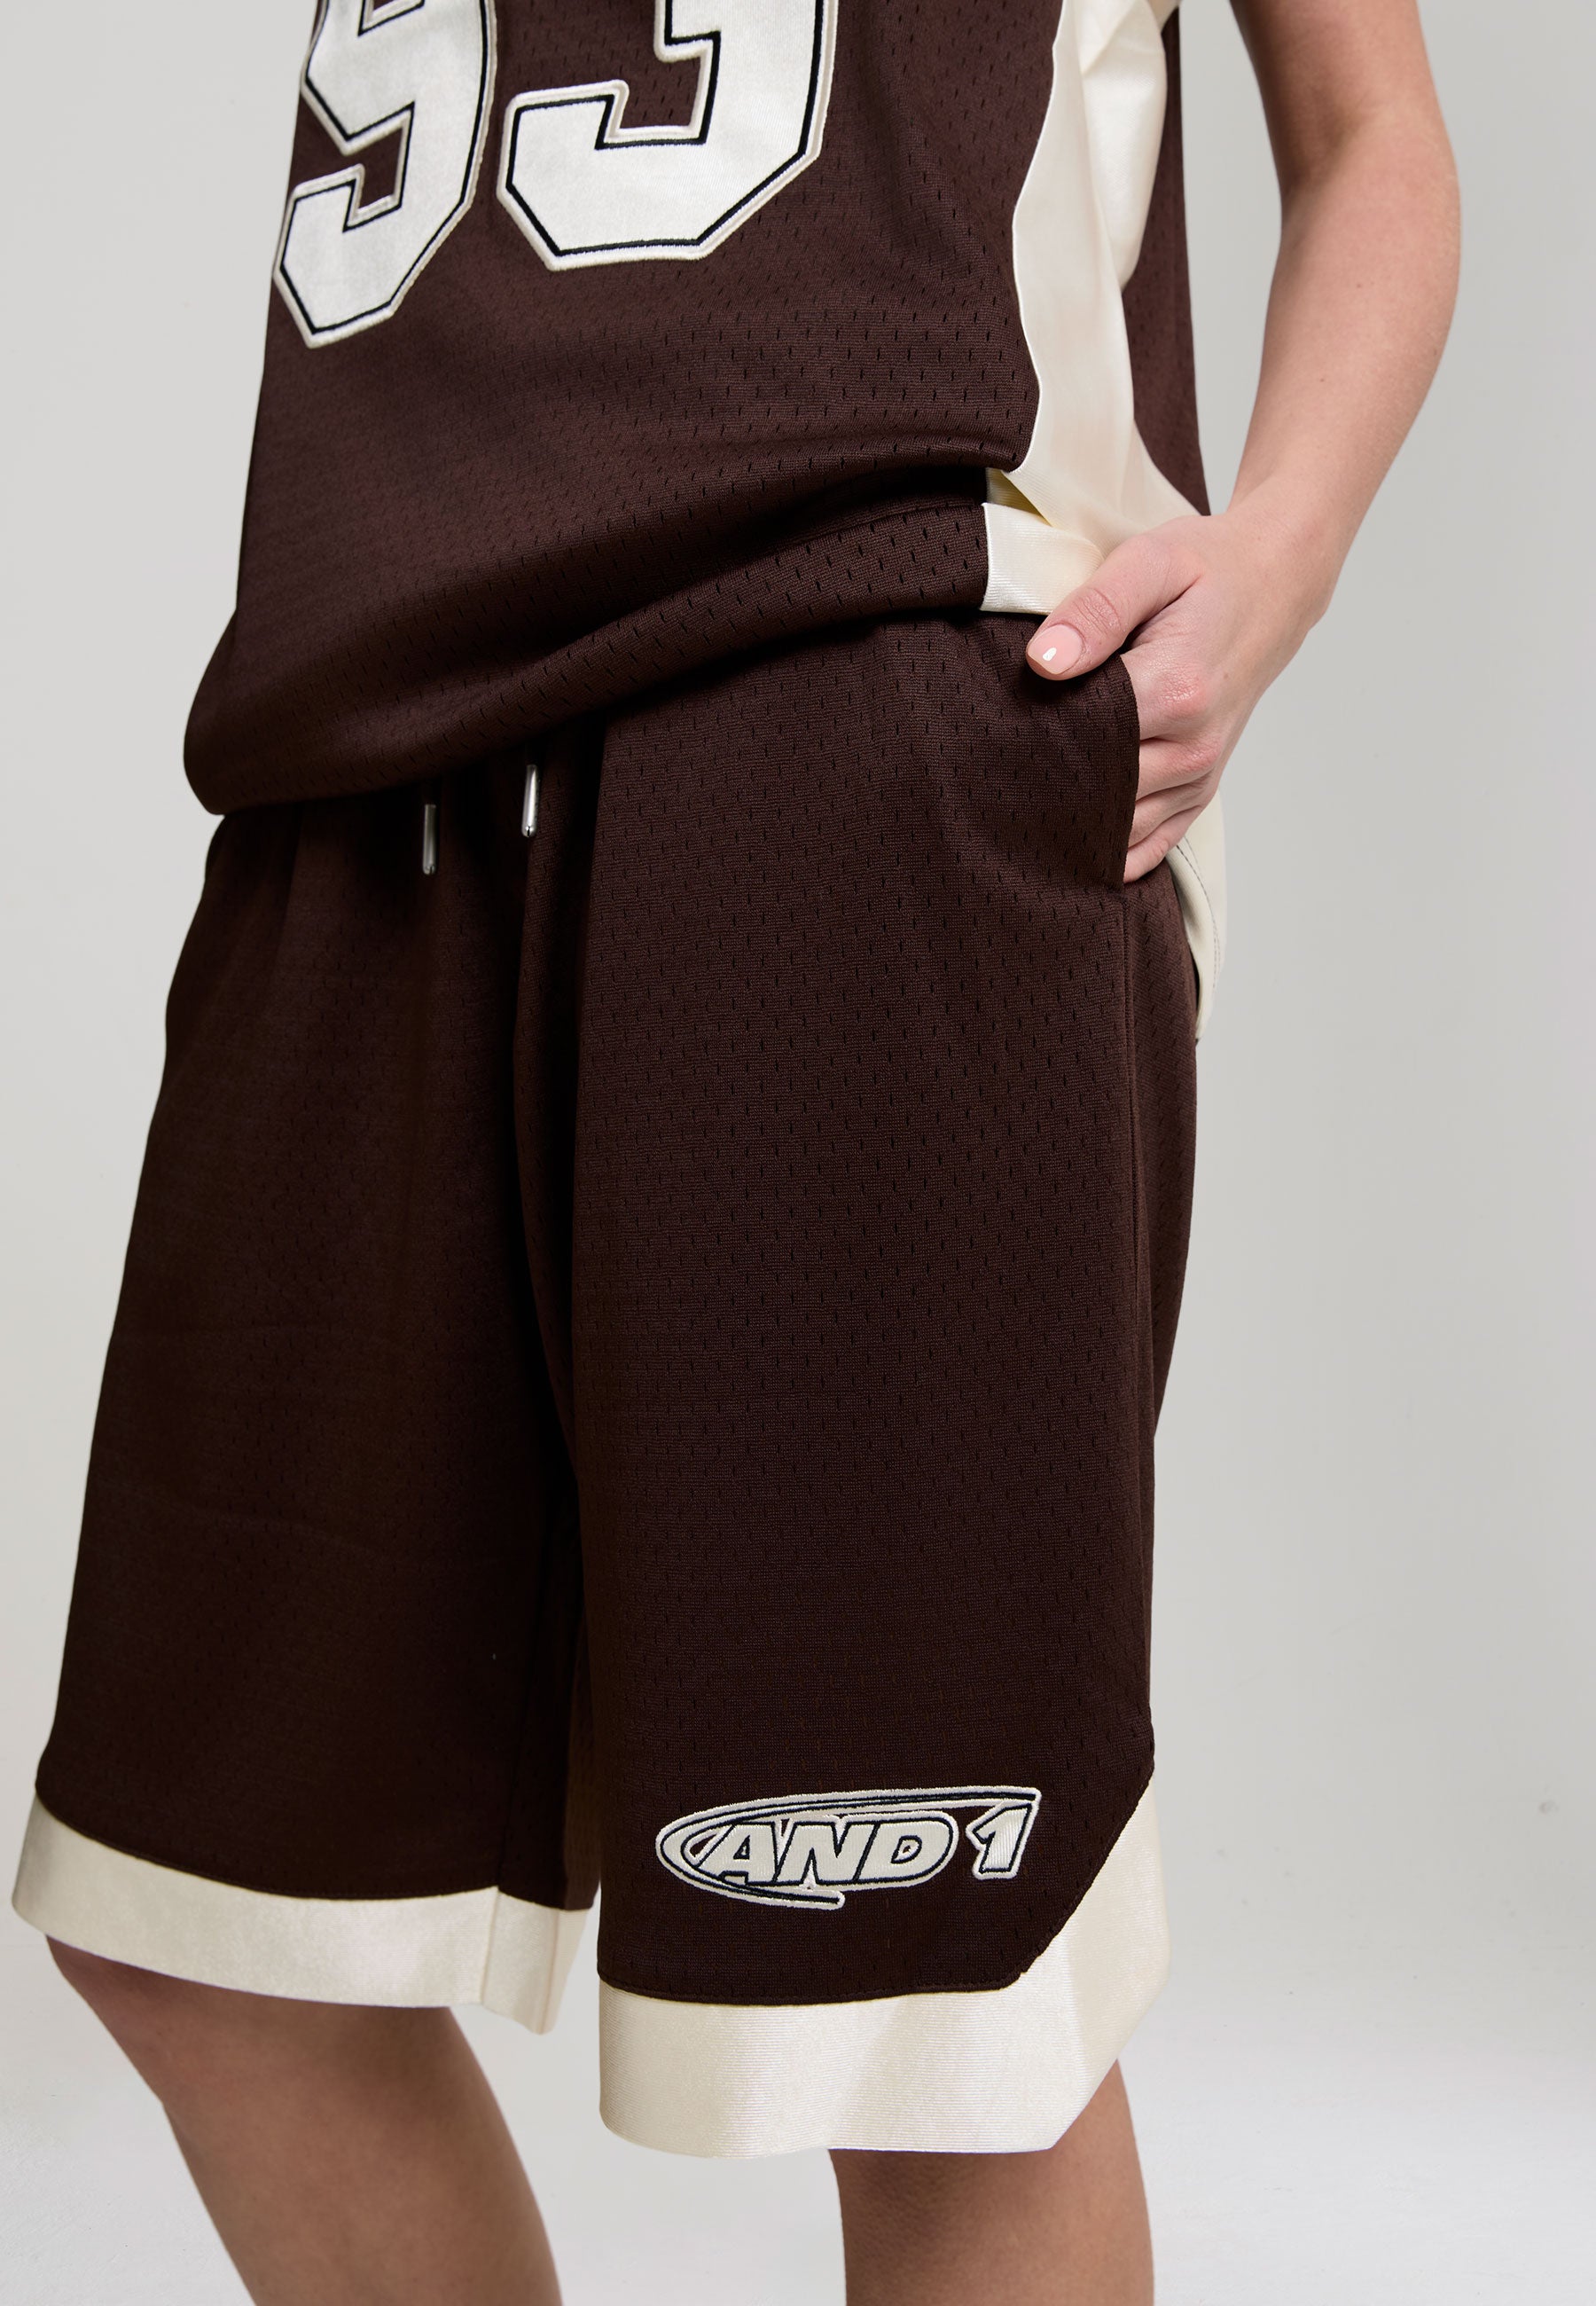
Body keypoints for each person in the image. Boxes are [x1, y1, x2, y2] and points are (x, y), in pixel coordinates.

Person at [12, 3, 1457, 2299]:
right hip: (359, 753)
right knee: (203, 1923)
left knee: (928, 2015)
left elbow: (1371, 125)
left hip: (860, 702)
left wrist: (1279, 553)